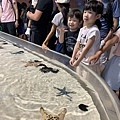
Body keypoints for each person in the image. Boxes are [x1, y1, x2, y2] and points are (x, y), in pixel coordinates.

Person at [69, 0, 104, 77]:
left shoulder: (94, 31)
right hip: (81, 61)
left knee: (89, 86)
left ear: (97, 16)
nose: (86, 15)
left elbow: (87, 48)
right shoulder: (83, 29)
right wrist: (73, 57)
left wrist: (78, 61)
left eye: (90, 13)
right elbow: (77, 44)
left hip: (90, 64)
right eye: (85, 12)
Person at [88, 28, 120, 99]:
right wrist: (99, 53)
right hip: (118, 63)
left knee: (111, 88)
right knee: (110, 88)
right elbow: (112, 41)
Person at [98, 0, 120, 72]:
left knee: (101, 65)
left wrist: (105, 40)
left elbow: (115, 23)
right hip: (90, 36)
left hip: (104, 37)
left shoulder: (114, 2)